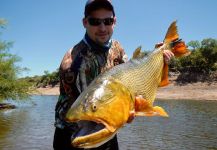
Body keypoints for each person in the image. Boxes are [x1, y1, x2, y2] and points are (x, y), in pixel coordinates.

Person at [53, 0, 174, 150]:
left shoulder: (117, 46)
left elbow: (131, 72)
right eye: (95, 21)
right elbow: (82, 113)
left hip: (105, 128)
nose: (102, 28)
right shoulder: (73, 63)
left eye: (108, 21)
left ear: (114, 22)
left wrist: (157, 55)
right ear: (85, 22)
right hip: (75, 136)